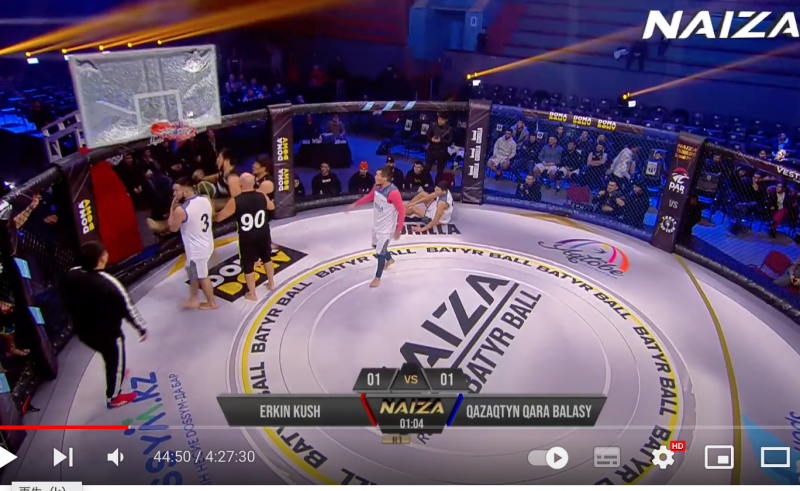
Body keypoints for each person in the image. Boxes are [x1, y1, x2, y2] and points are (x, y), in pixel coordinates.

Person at [61, 242, 148, 409]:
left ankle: (116, 372)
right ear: (101, 259)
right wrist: (141, 328)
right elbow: (127, 307)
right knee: (115, 358)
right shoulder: (108, 283)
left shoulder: (72, 274)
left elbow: (65, 295)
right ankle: (114, 397)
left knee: (108, 356)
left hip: (83, 330)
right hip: (107, 333)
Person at [215, 173, 276, 300]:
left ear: (240, 184)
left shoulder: (236, 200)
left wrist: (212, 213)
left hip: (247, 237)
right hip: (263, 233)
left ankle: (252, 294)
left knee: (248, 265)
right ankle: (271, 283)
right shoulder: (262, 195)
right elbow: (272, 207)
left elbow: (220, 217)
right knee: (267, 258)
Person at [346, 166, 405, 288]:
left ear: (385, 178)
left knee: (380, 252)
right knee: (376, 246)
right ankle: (389, 259)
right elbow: (369, 197)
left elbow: (402, 211)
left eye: (378, 175)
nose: (375, 177)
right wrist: (355, 204)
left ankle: (378, 277)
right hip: (377, 224)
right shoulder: (377, 186)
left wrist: (398, 229)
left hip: (387, 229)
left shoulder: (393, 193)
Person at [168, 178, 217, 310]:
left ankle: (211, 303)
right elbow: (211, 214)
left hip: (196, 250)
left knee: (202, 276)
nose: (174, 194)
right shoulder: (205, 200)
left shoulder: (181, 210)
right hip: (207, 242)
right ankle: (193, 298)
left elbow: (172, 228)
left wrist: (172, 209)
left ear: (185, 191)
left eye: (176, 191)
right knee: (191, 269)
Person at [426, 113, 453, 179]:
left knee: (440, 171)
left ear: (446, 120)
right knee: (427, 168)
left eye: (442, 119)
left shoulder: (449, 129)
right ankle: (425, 181)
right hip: (432, 150)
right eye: (439, 119)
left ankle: (438, 182)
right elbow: (427, 135)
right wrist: (431, 139)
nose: (440, 121)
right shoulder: (433, 125)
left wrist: (441, 141)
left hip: (442, 152)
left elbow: (450, 141)